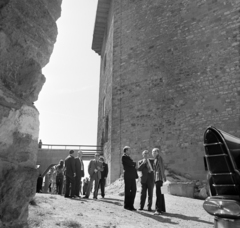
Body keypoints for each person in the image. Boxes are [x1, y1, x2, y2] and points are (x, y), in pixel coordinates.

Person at [122, 146, 138, 211]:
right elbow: (130, 163)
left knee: (134, 190)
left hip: (132, 176)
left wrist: (133, 164)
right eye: (129, 150)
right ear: (126, 150)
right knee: (127, 191)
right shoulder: (124, 157)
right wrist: (134, 164)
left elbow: (131, 164)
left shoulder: (128, 157)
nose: (130, 151)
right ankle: (127, 205)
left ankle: (131, 205)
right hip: (128, 176)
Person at [152, 148, 166, 215]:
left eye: (155, 152)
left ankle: (158, 210)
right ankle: (162, 209)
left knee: (158, 194)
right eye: (153, 152)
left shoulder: (158, 158)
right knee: (161, 194)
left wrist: (163, 177)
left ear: (157, 152)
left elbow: (161, 168)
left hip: (159, 178)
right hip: (158, 178)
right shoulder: (156, 159)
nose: (153, 153)